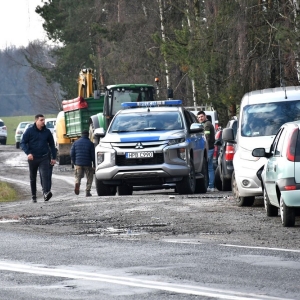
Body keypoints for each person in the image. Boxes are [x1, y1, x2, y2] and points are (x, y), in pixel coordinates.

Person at [20, 114, 56, 202]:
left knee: (45, 176)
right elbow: (23, 143)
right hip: (33, 158)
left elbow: (52, 145)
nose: (43, 122)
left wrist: (53, 157)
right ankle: (34, 196)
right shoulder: (29, 131)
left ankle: (46, 193)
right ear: (36, 121)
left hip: (44, 157)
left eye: (44, 120)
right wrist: (28, 153)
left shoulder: (47, 132)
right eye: (41, 120)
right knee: (33, 177)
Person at [70, 129, 95, 197]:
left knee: (78, 176)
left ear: (81, 134)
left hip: (78, 163)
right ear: (88, 135)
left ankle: (77, 183)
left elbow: (72, 154)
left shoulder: (75, 143)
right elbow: (93, 155)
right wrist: (94, 164)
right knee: (89, 177)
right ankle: (87, 191)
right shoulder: (90, 143)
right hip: (88, 164)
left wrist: (74, 162)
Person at [197, 110, 216, 192]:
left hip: (209, 149)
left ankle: (211, 186)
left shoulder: (207, 125)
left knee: (209, 168)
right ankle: (211, 185)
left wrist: (205, 148)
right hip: (210, 148)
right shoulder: (205, 124)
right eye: (199, 117)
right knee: (210, 167)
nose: (200, 118)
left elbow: (207, 137)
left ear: (205, 116)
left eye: (202, 116)